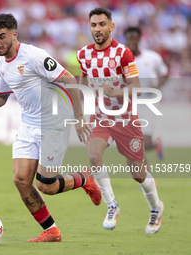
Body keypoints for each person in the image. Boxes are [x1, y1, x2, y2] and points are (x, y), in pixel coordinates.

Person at [0, 13, 101, 242]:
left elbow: (70, 80)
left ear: (14, 34)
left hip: (53, 123)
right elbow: (0, 98)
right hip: (28, 123)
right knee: (21, 180)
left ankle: (85, 179)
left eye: (1, 36)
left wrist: (78, 118)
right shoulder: (1, 65)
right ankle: (52, 231)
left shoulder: (34, 56)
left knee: (46, 186)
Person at [76, 8, 163, 234]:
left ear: (111, 27)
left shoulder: (123, 53)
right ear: (90, 27)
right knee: (94, 157)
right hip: (100, 117)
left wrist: (115, 93)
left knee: (138, 173)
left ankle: (156, 207)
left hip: (125, 118)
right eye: (94, 25)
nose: (98, 29)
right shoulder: (83, 54)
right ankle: (112, 205)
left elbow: (137, 87)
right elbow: (83, 82)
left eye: (102, 24)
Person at [124, 26, 169, 163]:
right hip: (131, 104)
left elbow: (165, 73)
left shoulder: (152, 57)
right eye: (129, 38)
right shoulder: (122, 61)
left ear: (139, 39)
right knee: (134, 144)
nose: (132, 41)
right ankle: (145, 180)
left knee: (146, 143)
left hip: (149, 102)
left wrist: (157, 87)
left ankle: (156, 144)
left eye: (134, 38)